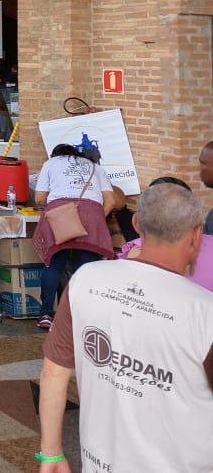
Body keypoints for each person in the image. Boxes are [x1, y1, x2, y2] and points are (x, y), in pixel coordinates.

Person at [38, 183, 213, 473]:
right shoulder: (204, 311)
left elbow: (53, 371)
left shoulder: (86, 279)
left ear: (135, 223)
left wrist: (51, 453)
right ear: (196, 234)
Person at [33, 144, 117, 330]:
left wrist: (66, 211)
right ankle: (81, 317)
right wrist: (92, 219)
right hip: (92, 215)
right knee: (85, 269)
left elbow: (39, 198)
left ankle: (46, 314)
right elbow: (111, 201)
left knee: (54, 264)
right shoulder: (96, 166)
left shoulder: (51, 163)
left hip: (61, 215)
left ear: (56, 155)